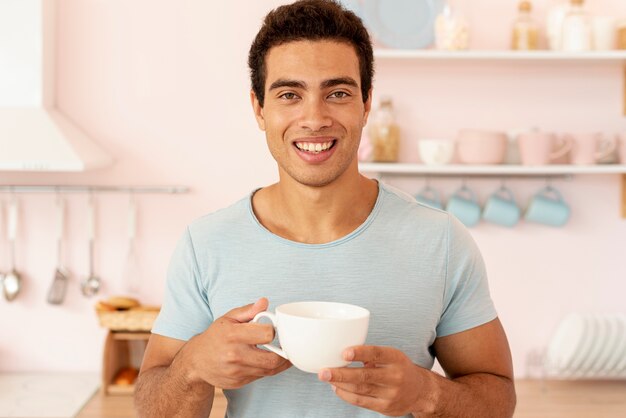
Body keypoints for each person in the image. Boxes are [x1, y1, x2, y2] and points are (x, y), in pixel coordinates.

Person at [134, 1, 516, 417]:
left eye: (337, 93)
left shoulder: (440, 242)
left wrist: (427, 393)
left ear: (366, 104)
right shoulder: (205, 244)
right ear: (259, 108)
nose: (314, 118)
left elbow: (498, 400)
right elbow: (153, 406)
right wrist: (192, 367)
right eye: (289, 94)